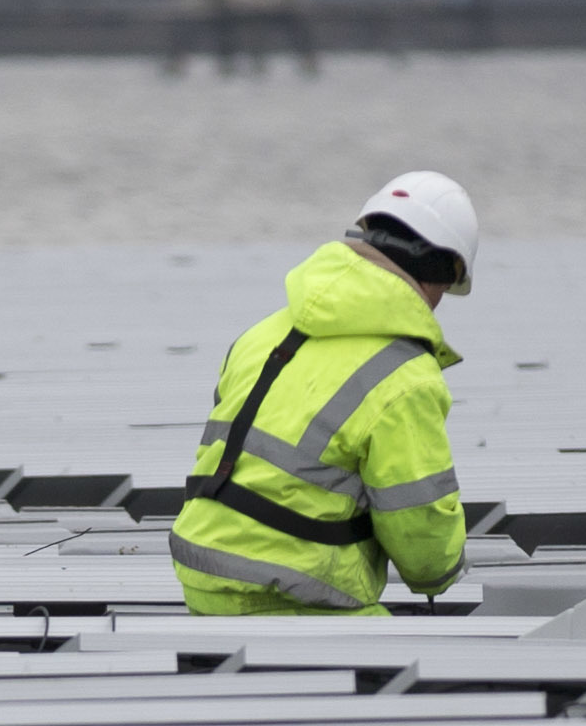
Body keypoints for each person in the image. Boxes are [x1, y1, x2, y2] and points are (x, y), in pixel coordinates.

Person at [170, 172, 475, 617]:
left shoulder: (263, 335)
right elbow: (425, 555)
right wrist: (445, 570)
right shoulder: (407, 377)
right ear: (440, 273)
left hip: (202, 582)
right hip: (291, 594)